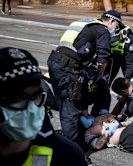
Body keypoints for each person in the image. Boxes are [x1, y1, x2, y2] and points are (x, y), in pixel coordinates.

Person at [47, 11, 116, 149]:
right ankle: (73, 150)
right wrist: (99, 75)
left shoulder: (85, 23)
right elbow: (103, 57)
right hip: (68, 68)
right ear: (112, 22)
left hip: (55, 62)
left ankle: (71, 138)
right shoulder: (103, 29)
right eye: (116, 27)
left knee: (64, 106)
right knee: (70, 111)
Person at [103, 10, 133, 84]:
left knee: (131, 82)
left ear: (116, 24)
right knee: (104, 82)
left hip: (125, 57)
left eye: (107, 25)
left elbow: (131, 63)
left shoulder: (128, 38)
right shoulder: (100, 29)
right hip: (109, 57)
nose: (105, 28)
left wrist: (127, 81)